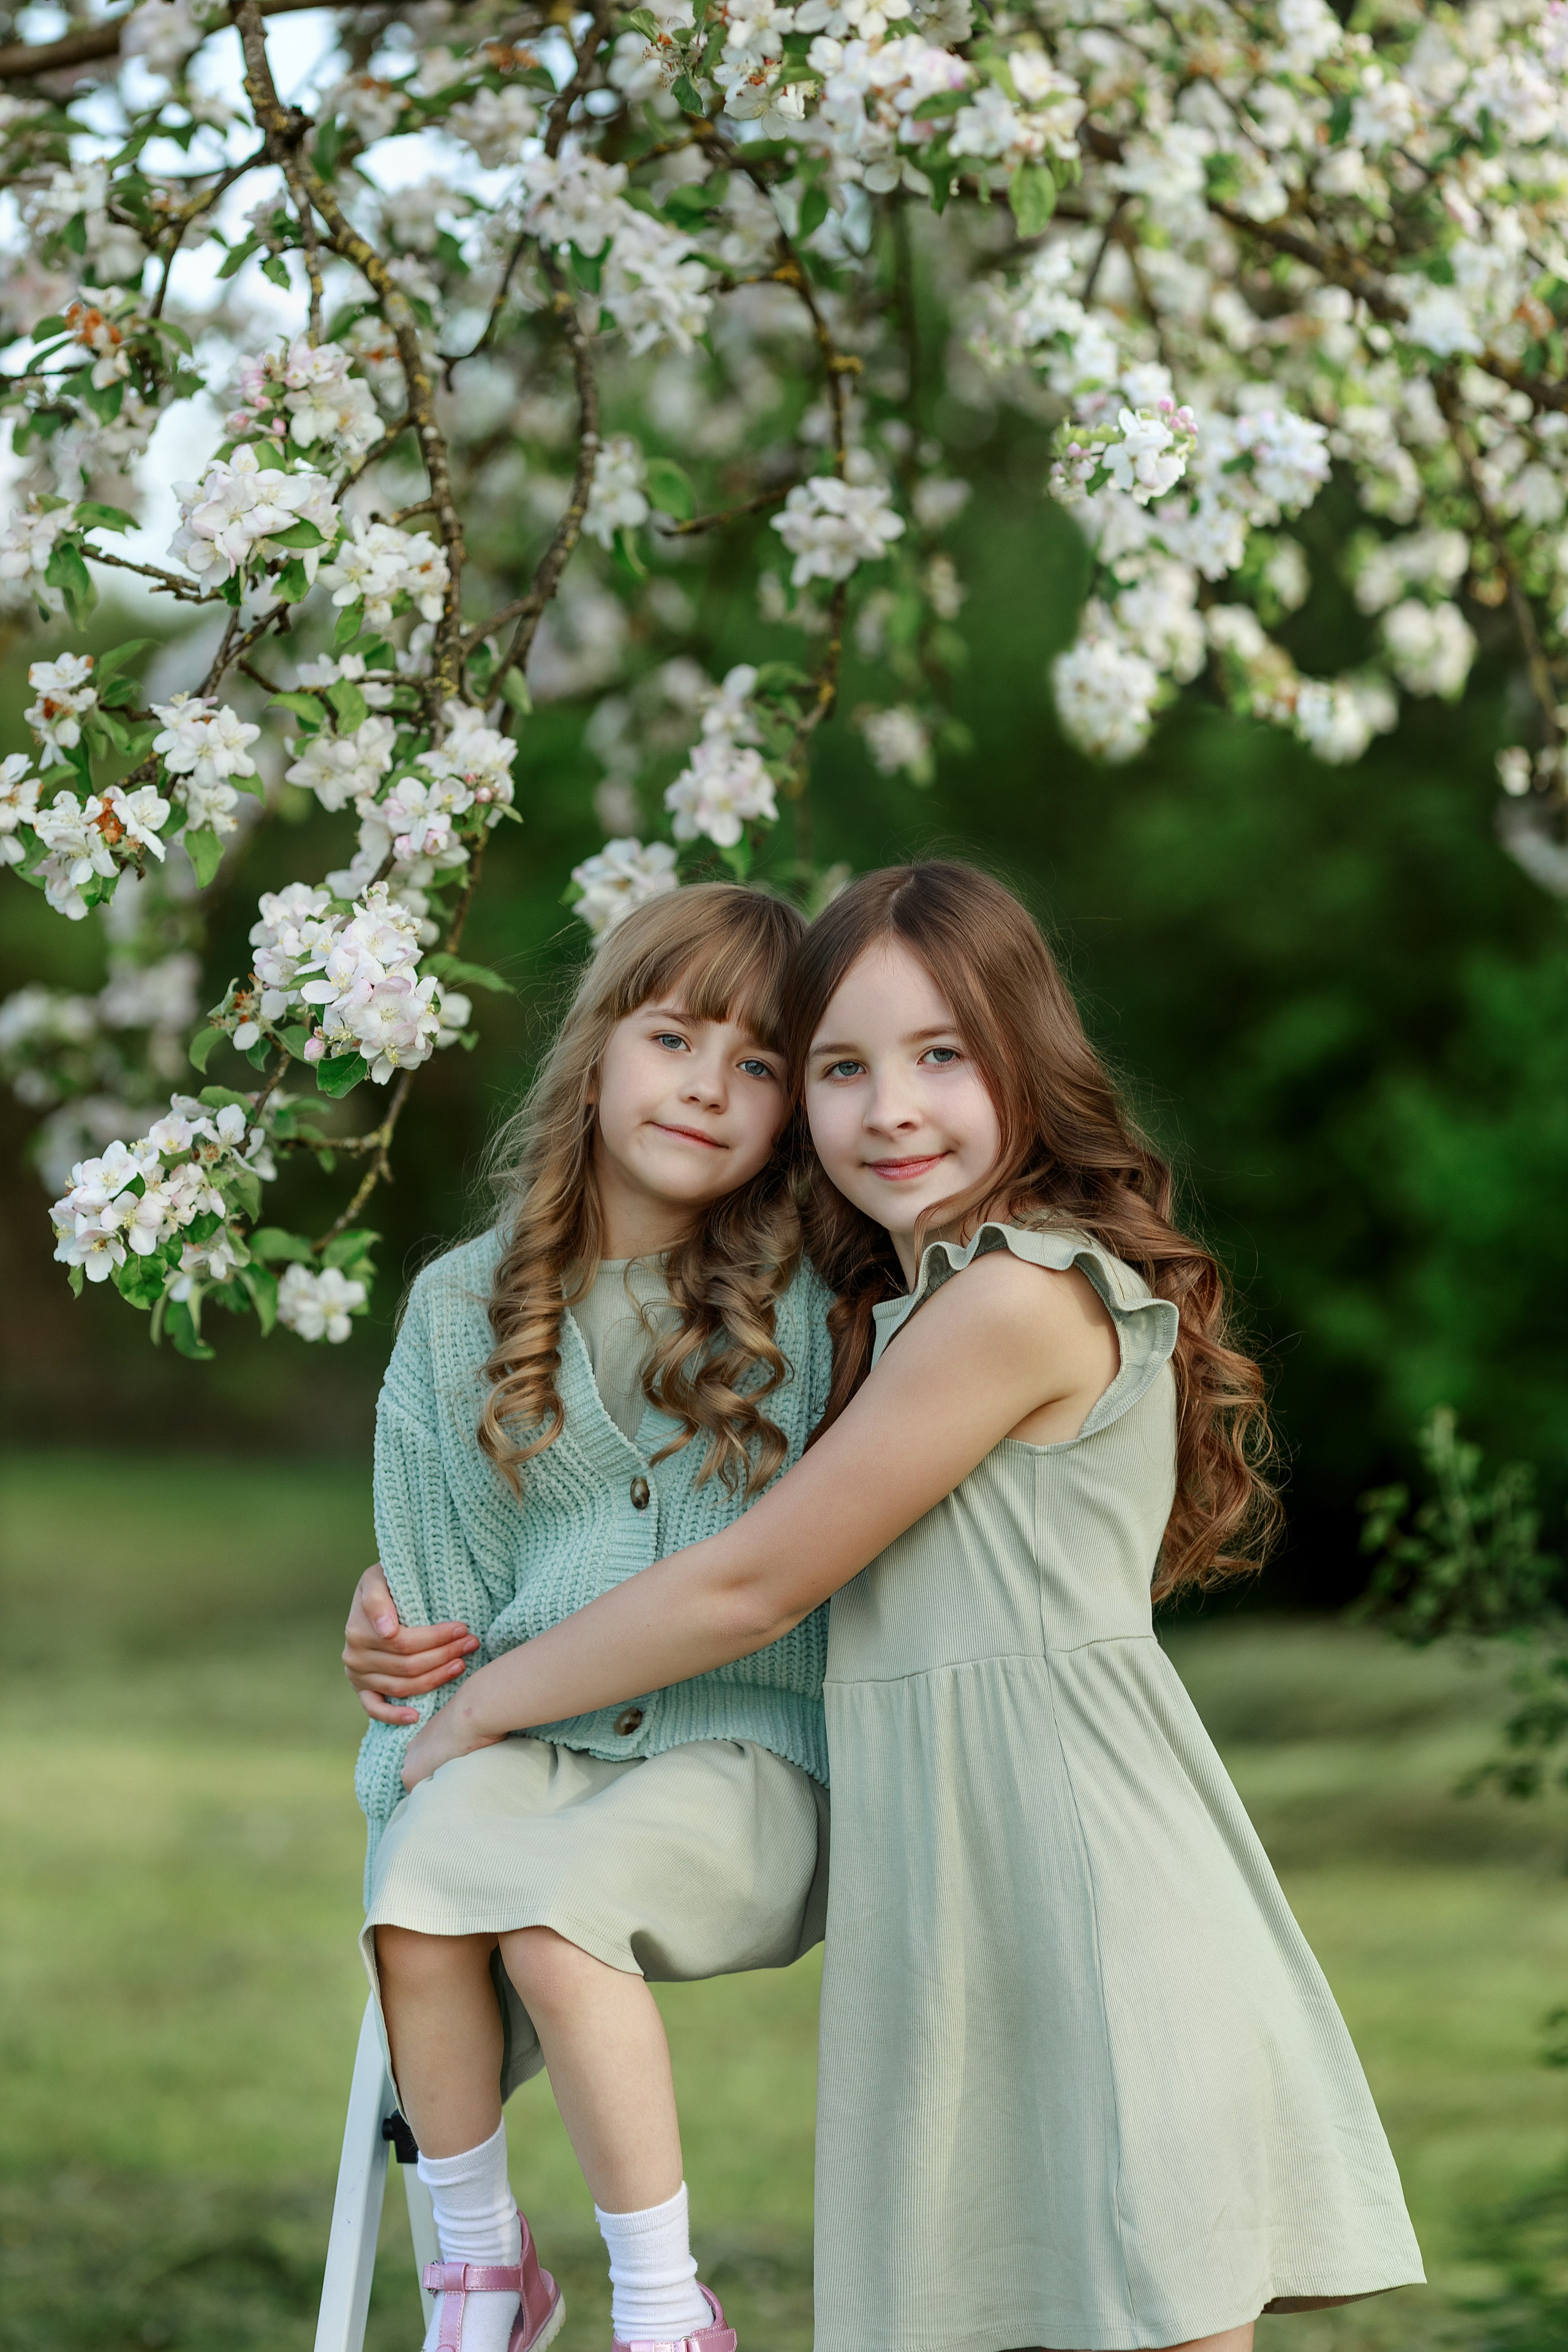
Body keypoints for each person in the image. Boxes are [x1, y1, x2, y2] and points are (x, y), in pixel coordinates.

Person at [399, 861, 1427, 2352]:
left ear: (1025, 1058)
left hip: (1088, 1887)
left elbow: (749, 1582)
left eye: (940, 1055)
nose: (890, 1109)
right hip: (956, 1894)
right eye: (839, 1068)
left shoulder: (1012, 1300)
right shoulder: (891, 1312)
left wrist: (484, 1703)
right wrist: (413, 1584)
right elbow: (657, 1511)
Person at [350, 884, 835, 2352]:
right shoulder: (460, 1309)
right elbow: (436, 1609)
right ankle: (484, 2275)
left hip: (745, 1751)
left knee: (555, 1925)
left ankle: (663, 2310)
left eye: (757, 1065)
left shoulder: (813, 1307)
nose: (706, 1086)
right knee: (417, 1894)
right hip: (531, 1738)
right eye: (672, 1038)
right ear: (596, 1054)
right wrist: (404, 1742)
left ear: (792, 1112)